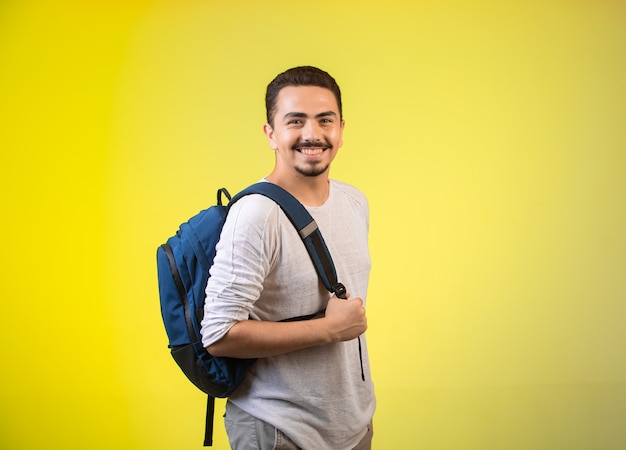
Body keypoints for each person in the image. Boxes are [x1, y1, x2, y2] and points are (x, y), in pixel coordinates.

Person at [200, 66, 375, 450]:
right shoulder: (257, 214)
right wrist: (328, 330)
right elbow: (218, 334)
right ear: (271, 133)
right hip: (280, 431)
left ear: (341, 129)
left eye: (324, 120)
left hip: (354, 425)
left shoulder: (354, 201)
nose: (312, 134)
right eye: (295, 121)